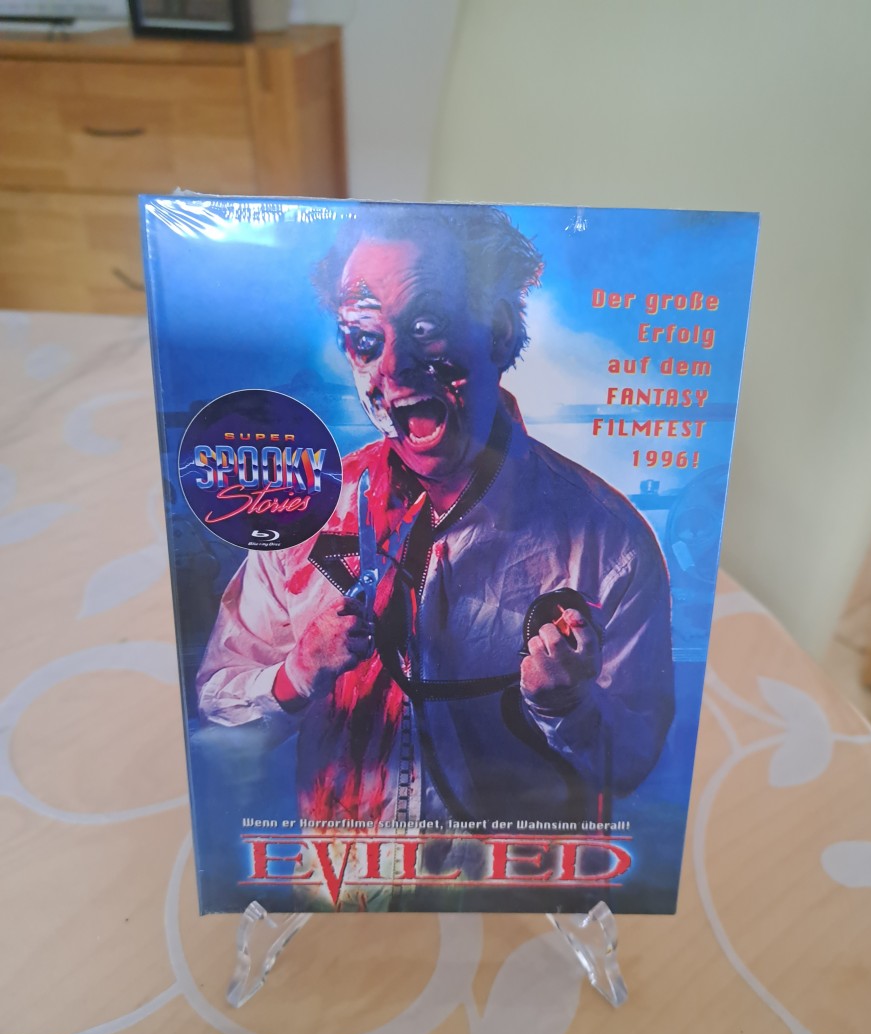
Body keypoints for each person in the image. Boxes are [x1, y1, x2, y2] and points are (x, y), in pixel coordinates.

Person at [197, 206, 674, 835]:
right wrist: (297, 674)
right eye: (366, 339)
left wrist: (567, 705)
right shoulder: (307, 515)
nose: (393, 368)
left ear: (498, 332)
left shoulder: (611, 544)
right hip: (344, 878)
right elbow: (220, 705)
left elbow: (631, 764)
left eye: (426, 326)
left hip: (510, 880)